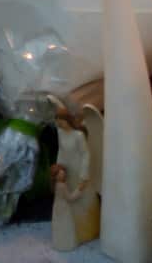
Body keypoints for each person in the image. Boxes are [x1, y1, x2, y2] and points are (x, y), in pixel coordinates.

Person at [52, 105, 101, 250]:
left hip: (78, 169)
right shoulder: (60, 132)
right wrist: (59, 166)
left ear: (67, 120)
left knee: (84, 198)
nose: (59, 124)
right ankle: (73, 231)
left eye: (61, 121)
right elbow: (60, 149)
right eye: (57, 121)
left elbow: (86, 154)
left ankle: (89, 231)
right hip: (66, 171)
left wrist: (84, 174)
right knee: (71, 200)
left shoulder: (78, 136)